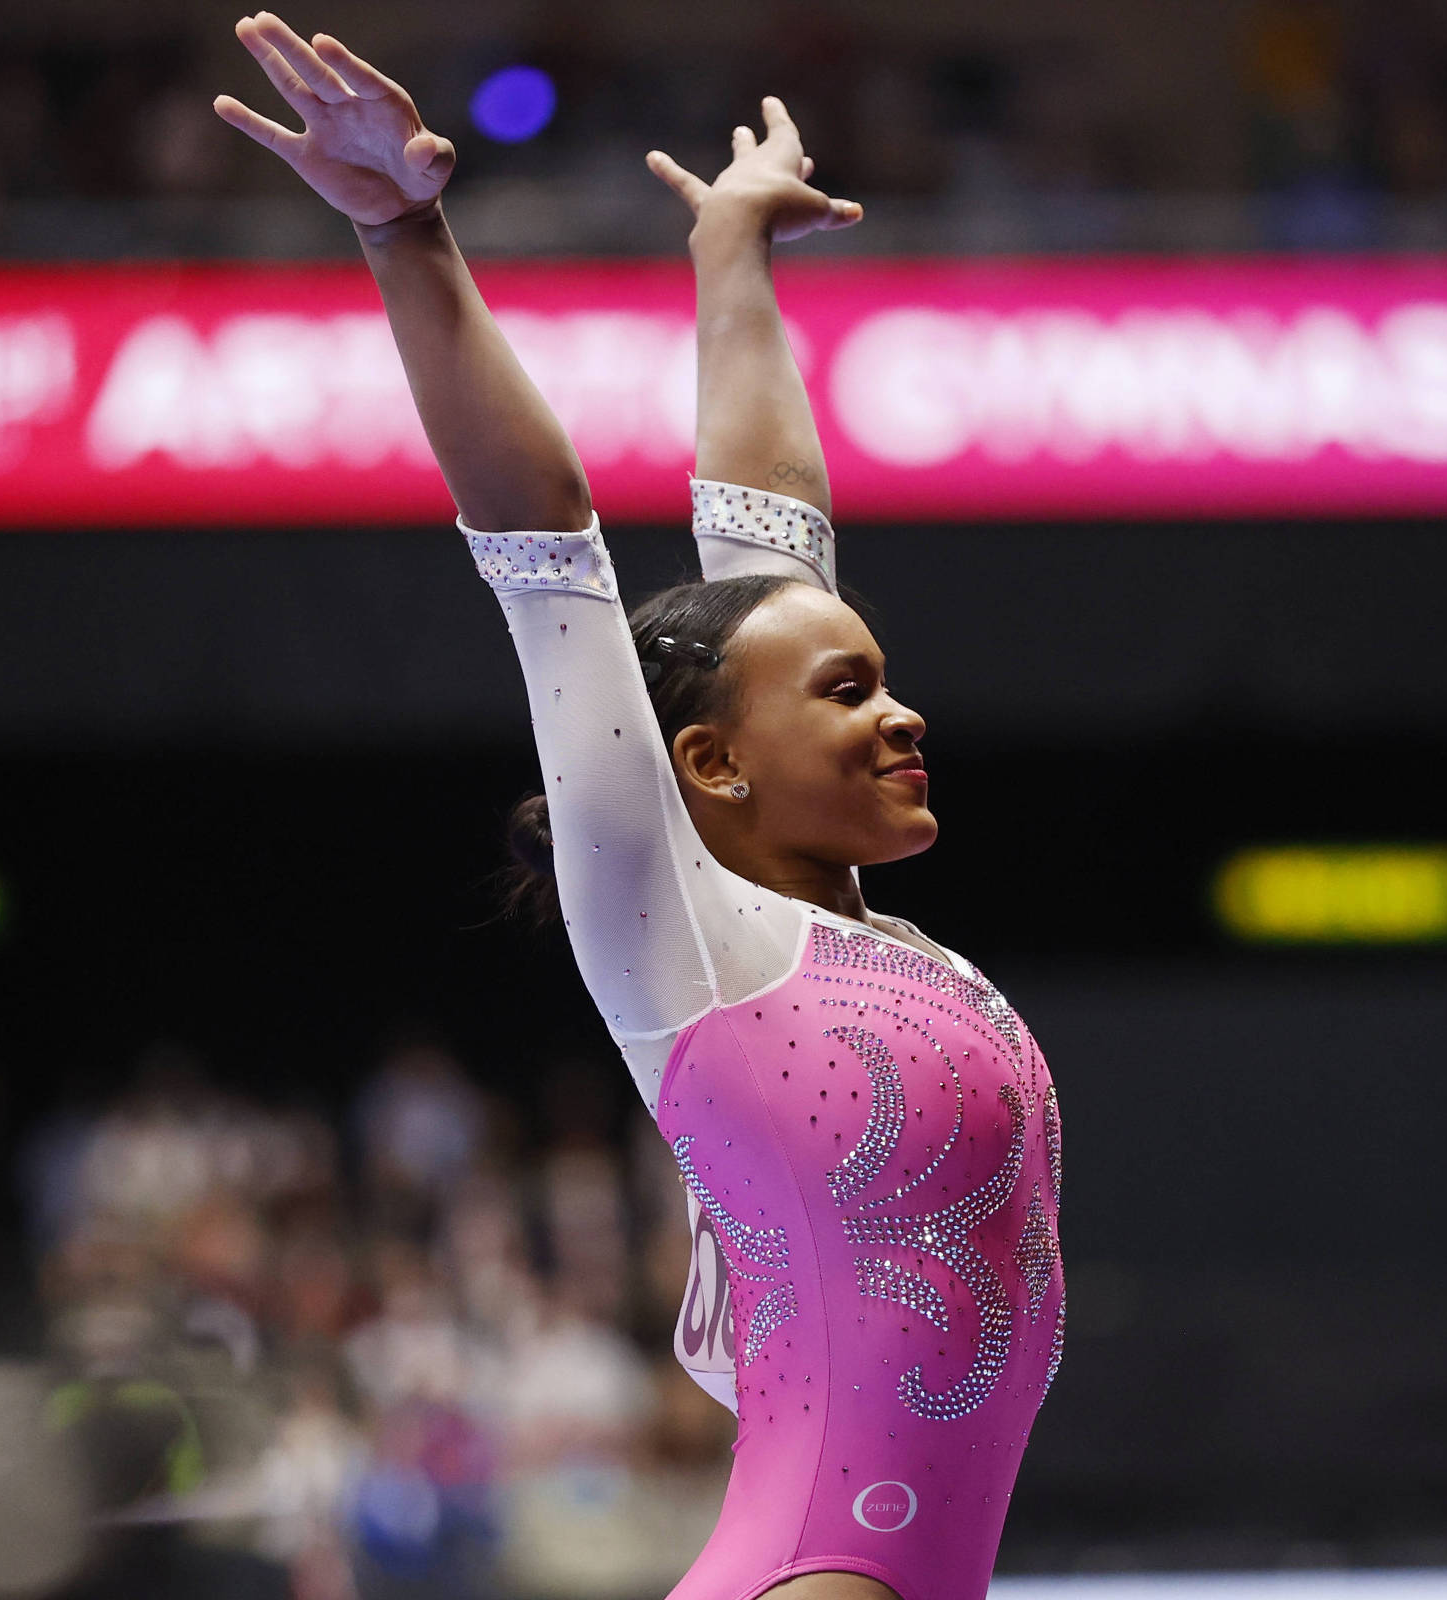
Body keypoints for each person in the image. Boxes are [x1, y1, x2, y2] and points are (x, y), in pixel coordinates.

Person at [214, 21, 1066, 1600]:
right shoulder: (679, 937)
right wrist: (406, 236)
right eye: (846, 694)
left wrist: (732, 250)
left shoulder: (858, 945)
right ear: (709, 767)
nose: (902, 711)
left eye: (881, 678)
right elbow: (546, 546)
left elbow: (772, 545)